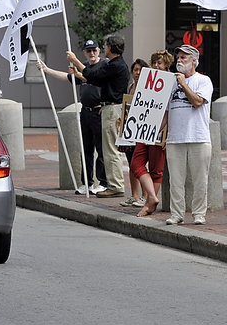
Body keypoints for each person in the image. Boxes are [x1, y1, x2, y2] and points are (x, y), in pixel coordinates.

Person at [37, 39, 108, 195]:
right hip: (86, 112)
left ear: (99, 51)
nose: (92, 53)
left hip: (100, 111)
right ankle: (87, 183)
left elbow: (97, 79)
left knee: (102, 150)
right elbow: (67, 77)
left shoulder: (104, 66)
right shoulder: (84, 67)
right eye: (89, 51)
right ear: (85, 52)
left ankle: (103, 183)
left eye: (94, 50)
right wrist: (47, 69)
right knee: (86, 149)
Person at [71, 34, 130, 198]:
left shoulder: (115, 65)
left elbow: (93, 75)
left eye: (105, 46)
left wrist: (76, 61)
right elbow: (95, 79)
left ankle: (115, 185)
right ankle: (111, 183)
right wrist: (79, 74)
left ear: (111, 47)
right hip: (108, 109)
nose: (104, 49)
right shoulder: (115, 65)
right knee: (107, 148)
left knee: (110, 149)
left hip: (112, 109)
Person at [164, 45, 214, 225]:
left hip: (198, 137)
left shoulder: (203, 81)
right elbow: (166, 111)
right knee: (176, 181)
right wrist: (158, 133)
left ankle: (199, 213)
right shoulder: (170, 82)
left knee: (200, 179)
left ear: (194, 61)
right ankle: (177, 214)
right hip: (175, 138)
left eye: (184, 57)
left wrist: (183, 84)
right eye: (178, 57)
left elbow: (198, 102)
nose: (179, 60)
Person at [131, 50, 174, 217]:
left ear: (167, 65)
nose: (156, 66)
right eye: (155, 63)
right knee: (136, 163)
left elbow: (171, 110)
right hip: (145, 129)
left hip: (160, 131)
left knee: (156, 169)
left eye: (160, 63)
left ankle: (150, 205)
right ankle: (153, 197)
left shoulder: (171, 81)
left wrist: (165, 132)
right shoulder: (147, 80)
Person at [119, 57, 150, 207]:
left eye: (140, 69)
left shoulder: (148, 88)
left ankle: (145, 195)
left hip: (142, 130)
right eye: (135, 70)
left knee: (140, 164)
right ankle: (134, 195)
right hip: (129, 130)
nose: (137, 72)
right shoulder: (131, 87)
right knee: (131, 163)